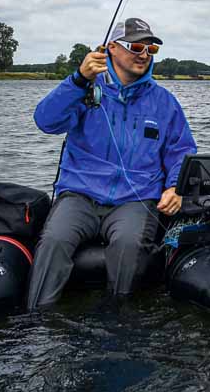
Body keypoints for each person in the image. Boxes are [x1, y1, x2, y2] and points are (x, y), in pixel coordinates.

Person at [26, 17, 197, 308]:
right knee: (53, 240)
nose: (144, 54)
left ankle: (120, 317)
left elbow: (182, 150)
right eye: (136, 46)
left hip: (135, 199)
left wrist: (175, 187)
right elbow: (46, 121)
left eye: (150, 49)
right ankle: (36, 319)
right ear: (112, 49)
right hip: (79, 194)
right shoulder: (85, 90)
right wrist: (78, 80)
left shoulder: (164, 102)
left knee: (130, 245)